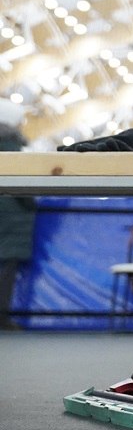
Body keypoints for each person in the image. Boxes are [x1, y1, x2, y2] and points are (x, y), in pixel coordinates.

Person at [0, 99, 36, 331]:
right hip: (13, 225)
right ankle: (2, 317)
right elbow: (26, 189)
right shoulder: (13, 148)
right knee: (6, 275)